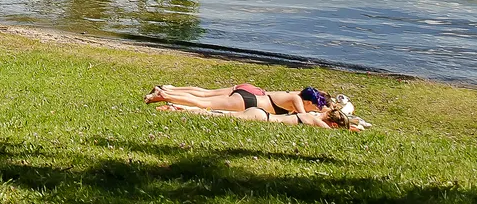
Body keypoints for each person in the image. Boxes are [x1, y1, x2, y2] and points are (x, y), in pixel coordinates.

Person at [146, 84, 363, 129]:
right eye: (316, 106)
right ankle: (165, 95)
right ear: (309, 102)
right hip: (249, 101)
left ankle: (169, 90)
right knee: (206, 102)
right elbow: (308, 116)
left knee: (205, 93)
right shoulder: (298, 103)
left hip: (252, 93)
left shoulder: (295, 94)